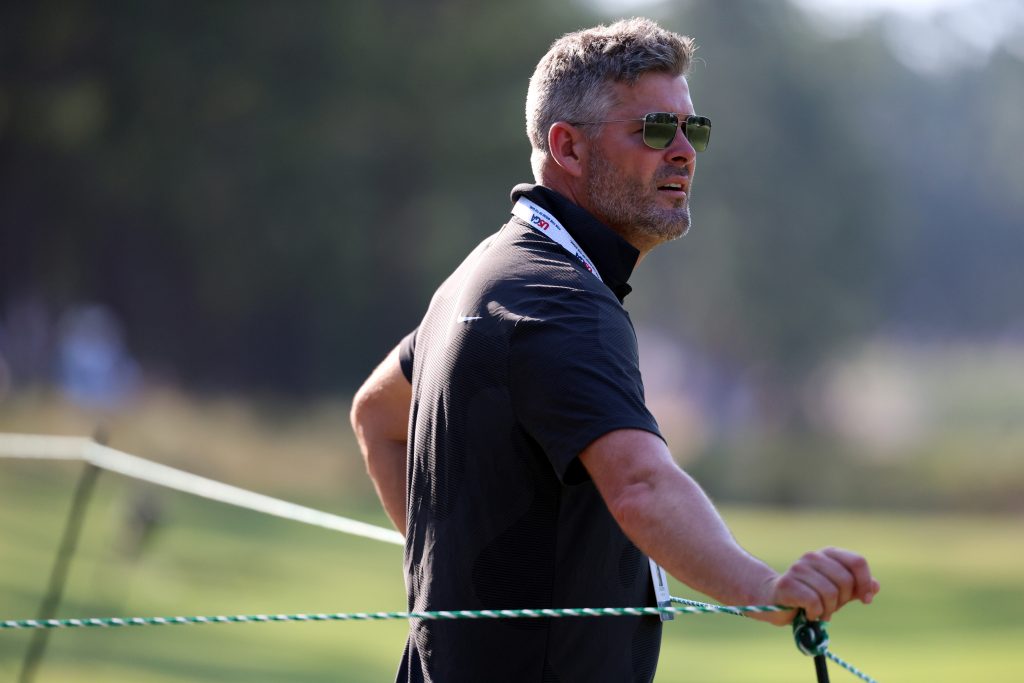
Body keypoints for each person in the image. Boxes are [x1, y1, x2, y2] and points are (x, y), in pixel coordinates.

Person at [350, 17, 879, 683]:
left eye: (695, 129)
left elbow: (374, 416)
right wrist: (766, 587)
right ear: (568, 148)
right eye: (656, 129)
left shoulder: (487, 274)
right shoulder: (560, 301)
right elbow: (640, 482)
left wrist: (452, 578)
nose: (685, 151)